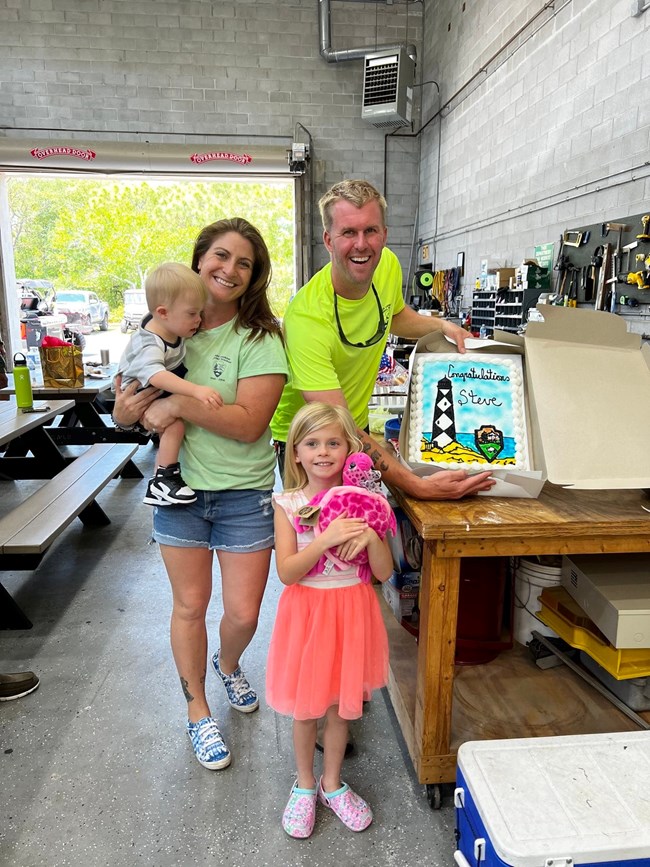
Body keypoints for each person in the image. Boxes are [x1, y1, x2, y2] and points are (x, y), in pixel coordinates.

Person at [112, 218, 288, 771]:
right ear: (198, 260)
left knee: (242, 612)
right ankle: (197, 712)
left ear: (254, 276)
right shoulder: (163, 332)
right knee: (188, 606)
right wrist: (129, 410)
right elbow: (129, 408)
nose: (229, 269)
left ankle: (229, 664)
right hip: (181, 492)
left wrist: (178, 405)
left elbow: (250, 425)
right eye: (219, 255)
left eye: (244, 262)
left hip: (244, 495)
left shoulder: (261, 337)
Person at [271, 179, 496, 501]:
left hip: (355, 425)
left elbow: (395, 315)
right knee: (322, 540)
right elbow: (338, 426)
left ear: (384, 234)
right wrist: (418, 485)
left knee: (364, 535)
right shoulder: (307, 319)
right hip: (311, 441)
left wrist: (443, 327)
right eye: (348, 232)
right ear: (328, 240)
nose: (361, 244)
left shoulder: (386, 265)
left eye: (371, 231)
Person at [267, 403, 394, 839]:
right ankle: (304, 785)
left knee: (342, 707)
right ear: (296, 453)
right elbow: (286, 572)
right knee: (307, 709)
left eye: (333, 443)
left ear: (349, 449)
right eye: (312, 443)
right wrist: (324, 539)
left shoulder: (367, 504)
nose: (323, 452)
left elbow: (383, 572)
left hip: (352, 612)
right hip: (307, 615)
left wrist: (371, 536)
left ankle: (332, 782)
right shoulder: (287, 504)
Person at [114, 262, 223, 506]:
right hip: (143, 392)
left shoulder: (169, 328)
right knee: (175, 427)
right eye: (192, 314)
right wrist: (196, 390)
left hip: (152, 389)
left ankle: (163, 476)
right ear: (163, 313)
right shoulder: (149, 342)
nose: (198, 320)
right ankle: (162, 479)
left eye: (200, 313)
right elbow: (156, 376)